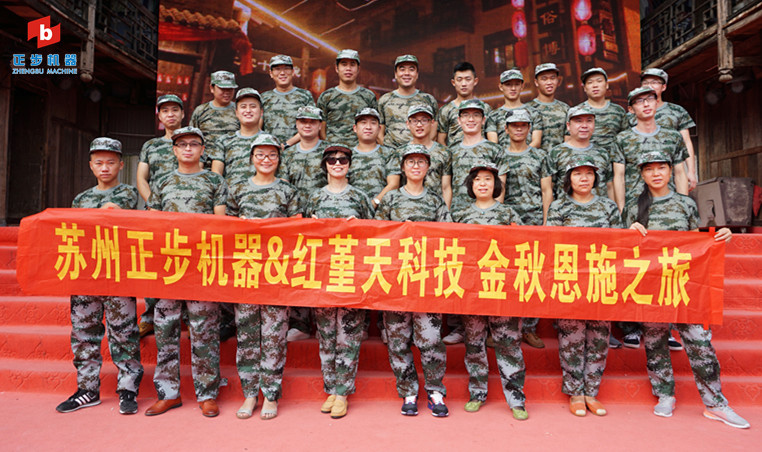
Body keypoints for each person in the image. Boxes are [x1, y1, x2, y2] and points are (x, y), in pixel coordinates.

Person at [625, 151, 750, 429]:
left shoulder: (686, 204)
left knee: (699, 341)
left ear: (671, 171)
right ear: (642, 175)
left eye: (661, 168)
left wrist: (721, 237)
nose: (656, 174)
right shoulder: (634, 207)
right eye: (649, 169)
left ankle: (715, 403)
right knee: (655, 341)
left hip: (684, 282)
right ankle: (665, 394)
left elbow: (698, 242)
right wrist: (629, 232)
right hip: (651, 285)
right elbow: (623, 249)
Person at [55, 137, 143, 415]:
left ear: (120, 165)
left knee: (124, 333)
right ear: (91, 166)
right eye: (99, 162)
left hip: (117, 273)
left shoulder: (128, 194)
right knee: (84, 333)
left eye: (111, 162)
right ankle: (87, 390)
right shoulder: (81, 199)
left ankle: (128, 389)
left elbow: (114, 213)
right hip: (86, 272)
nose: (105, 168)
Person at [144, 126, 227, 418]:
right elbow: (152, 222)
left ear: (203, 150)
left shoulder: (214, 180)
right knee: (165, 329)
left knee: (204, 330)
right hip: (169, 265)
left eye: (194, 144)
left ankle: (207, 393)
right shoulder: (162, 181)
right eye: (182, 144)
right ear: (174, 150)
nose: (188, 148)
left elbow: (220, 223)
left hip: (202, 264)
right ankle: (168, 393)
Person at [375, 145, 451, 417]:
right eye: (410, 162)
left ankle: (435, 391)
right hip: (395, 281)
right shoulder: (391, 199)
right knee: (398, 340)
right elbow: (377, 236)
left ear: (428, 167)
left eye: (421, 162)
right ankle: (408, 390)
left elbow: (447, 237)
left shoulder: (435, 201)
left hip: (426, 280)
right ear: (403, 167)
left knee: (430, 339)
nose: (416, 166)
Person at [227, 133, 298, 420]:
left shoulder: (288, 191)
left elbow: (298, 227)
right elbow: (225, 227)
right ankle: (249, 393)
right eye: (260, 155)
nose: (266, 160)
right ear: (251, 158)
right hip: (246, 270)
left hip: (276, 271)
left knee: (273, 334)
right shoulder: (238, 188)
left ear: (279, 159)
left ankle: (270, 393)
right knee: (246, 333)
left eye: (271, 155)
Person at [546, 156, 622, 417]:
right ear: (569, 179)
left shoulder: (608, 206)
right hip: (570, 279)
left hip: (601, 279)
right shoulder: (559, 207)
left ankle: (592, 391)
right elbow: (551, 243)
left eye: (589, 173)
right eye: (578, 174)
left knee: (599, 337)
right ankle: (575, 392)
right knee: (572, 337)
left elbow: (619, 243)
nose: (584, 178)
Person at [617, 86, 689, 350]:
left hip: (666, 208)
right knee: (634, 267)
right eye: (639, 101)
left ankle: (664, 326)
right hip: (636, 209)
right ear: (631, 109)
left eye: (650, 99)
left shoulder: (672, 136)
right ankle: (633, 327)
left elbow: (680, 172)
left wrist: (682, 206)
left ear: (657, 103)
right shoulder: (623, 139)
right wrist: (621, 210)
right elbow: (618, 176)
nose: (646, 104)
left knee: (665, 266)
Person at [304, 145, 373, 419]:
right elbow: (302, 235)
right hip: (322, 275)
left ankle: (343, 392)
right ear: (325, 165)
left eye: (343, 160)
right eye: (332, 160)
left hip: (351, 274)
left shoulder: (360, 197)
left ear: (349, 165)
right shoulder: (314, 197)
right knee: (326, 336)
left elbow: (376, 235)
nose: (337, 164)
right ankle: (331, 388)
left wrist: (360, 226)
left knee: (348, 335)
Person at [457, 162, 528, 420]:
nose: (483, 184)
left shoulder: (508, 213)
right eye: (477, 179)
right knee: (474, 343)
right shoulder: (461, 215)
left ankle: (516, 399)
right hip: (473, 290)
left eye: (488, 179)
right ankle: (477, 393)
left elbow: (523, 246)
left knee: (508, 344)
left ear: (496, 184)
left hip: (502, 290)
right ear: (471, 185)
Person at [444, 98, 507, 345]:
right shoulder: (451, 150)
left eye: (476, 115)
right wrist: (449, 216)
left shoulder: (494, 149)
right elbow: (447, 186)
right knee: (461, 272)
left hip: (489, 219)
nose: (471, 119)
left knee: (490, 271)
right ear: (459, 120)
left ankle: (491, 328)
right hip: (462, 219)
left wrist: (495, 216)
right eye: (466, 115)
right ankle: (460, 327)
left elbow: (501, 185)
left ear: (483, 120)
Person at [278, 105, 332, 341]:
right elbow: (282, 185)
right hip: (296, 219)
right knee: (299, 269)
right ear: (297, 125)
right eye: (303, 121)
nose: (307, 125)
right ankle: (299, 323)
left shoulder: (330, 152)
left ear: (320, 125)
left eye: (312, 121)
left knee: (324, 270)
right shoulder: (288, 155)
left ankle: (325, 323)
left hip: (324, 219)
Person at [136, 94, 184, 338]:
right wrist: (153, 205)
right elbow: (141, 178)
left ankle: (187, 317)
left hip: (186, 215)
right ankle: (150, 317)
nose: (170, 114)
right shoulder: (151, 146)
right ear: (160, 116)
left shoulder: (191, 141)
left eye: (175, 110)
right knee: (154, 265)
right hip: (157, 215)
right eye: (165, 111)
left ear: (183, 114)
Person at [501, 109, 550, 349]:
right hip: (509, 222)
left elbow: (547, 190)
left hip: (534, 221)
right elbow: (498, 189)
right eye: (514, 125)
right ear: (506, 128)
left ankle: (529, 328)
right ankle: (504, 328)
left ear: (529, 128)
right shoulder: (499, 155)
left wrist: (547, 222)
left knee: (532, 275)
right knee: (507, 275)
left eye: (523, 125)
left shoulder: (540, 156)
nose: (518, 128)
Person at [542, 106, 622, 221]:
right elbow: (547, 190)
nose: (584, 126)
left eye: (589, 121)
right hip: (567, 219)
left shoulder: (603, 153)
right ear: (568, 126)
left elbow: (609, 187)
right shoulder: (556, 153)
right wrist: (547, 222)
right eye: (578, 121)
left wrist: (613, 218)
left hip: (599, 219)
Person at [627, 68, 698, 191]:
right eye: (645, 82)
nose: (649, 85)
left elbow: (686, 141)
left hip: (669, 173)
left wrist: (691, 171)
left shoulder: (676, 111)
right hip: (638, 175)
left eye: (654, 82)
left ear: (663, 87)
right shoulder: (631, 115)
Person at [573, 67, 628, 210]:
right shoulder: (577, 112)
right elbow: (569, 141)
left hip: (615, 172)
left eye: (599, 81)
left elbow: (625, 142)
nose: (595, 85)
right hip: (587, 171)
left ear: (607, 85)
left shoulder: (618, 111)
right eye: (590, 82)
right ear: (584, 88)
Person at [317, 49, 377, 147]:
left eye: (352, 65)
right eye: (344, 64)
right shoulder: (326, 96)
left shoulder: (368, 96)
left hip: (361, 151)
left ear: (358, 69)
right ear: (337, 68)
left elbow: (375, 126)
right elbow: (321, 129)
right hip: (334, 151)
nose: (348, 68)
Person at [378, 54, 438, 148]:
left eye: (411, 69)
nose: (407, 73)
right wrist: (389, 152)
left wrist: (422, 151)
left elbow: (434, 132)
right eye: (402, 69)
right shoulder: (384, 100)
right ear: (396, 74)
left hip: (420, 154)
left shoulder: (429, 100)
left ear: (417, 74)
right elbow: (378, 133)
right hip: (391, 153)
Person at [398, 105, 452, 205]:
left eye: (424, 120)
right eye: (415, 121)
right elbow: (396, 186)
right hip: (407, 207)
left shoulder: (444, 152)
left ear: (432, 123)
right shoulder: (399, 152)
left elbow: (446, 187)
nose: (419, 125)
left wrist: (445, 212)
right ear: (408, 124)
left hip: (435, 207)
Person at [349, 107, 400, 211]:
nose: (368, 127)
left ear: (379, 129)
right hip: (353, 210)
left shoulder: (389, 153)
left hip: (383, 209)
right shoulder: (347, 155)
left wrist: (374, 203)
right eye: (363, 123)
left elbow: (394, 184)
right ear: (355, 128)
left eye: (373, 123)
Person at [189, 70, 239, 172]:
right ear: (212, 88)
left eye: (230, 89)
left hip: (231, 168)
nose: (227, 92)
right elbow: (192, 140)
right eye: (222, 88)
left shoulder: (239, 111)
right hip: (204, 168)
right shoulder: (201, 111)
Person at [260, 54, 316, 147]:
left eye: (286, 68)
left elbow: (311, 124)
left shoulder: (305, 96)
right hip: (270, 150)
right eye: (277, 69)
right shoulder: (264, 97)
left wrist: (287, 144)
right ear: (271, 73)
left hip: (298, 150)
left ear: (293, 72)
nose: (282, 73)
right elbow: (258, 127)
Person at [217, 88, 265, 188]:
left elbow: (279, 177)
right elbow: (216, 176)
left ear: (261, 112)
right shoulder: (224, 141)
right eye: (243, 107)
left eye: (253, 106)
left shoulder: (270, 141)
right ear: (236, 112)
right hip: (231, 196)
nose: (248, 110)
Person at [436, 61, 491, 147]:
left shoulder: (485, 108)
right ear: (453, 82)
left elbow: (491, 138)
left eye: (468, 79)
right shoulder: (446, 110)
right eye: (459, 80)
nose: (464, 84)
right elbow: (441, 140)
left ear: (475, 81)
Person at [485, 69, 542, 149]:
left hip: (529, 155)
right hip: (503, 156)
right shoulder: (493, 116)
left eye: (517, 84)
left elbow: (536, 142)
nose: (513, 88)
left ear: (522, 86)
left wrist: (521, 154)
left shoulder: (534, 113)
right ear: (501, 87)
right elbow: (493, 144)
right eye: (508, 85)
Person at [525, 63, 569, 152]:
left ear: (558, 81)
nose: (549, 82)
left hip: (559, 157)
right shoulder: (527, 109)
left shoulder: (565, 109)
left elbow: (569, 141)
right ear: (536, 82)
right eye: (544, 79)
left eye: (552, 78)